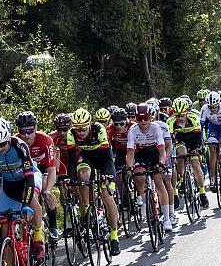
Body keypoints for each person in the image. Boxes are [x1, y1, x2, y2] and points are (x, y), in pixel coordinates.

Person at [0, 118, 44, 264]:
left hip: (29, 178)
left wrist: (26, 204)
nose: (0, 149)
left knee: (31, 197)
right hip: (9, 183)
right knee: (5, 226)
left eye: (2, 144)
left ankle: (38, 237)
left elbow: (29, 179)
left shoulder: (20, 146)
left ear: (9, 137)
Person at [65, 108, 121, 255]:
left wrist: (108, 176)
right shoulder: (71, 134)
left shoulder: (99, 129)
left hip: (103, 161)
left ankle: (114, 236)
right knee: (82, 176)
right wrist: (70, 178)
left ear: (90, 124)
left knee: (107, 195)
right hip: (87, 159)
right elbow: (72, 161)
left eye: (83, 129)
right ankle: (88, 210)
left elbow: (109, 159)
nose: (80, 132)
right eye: (77, 129)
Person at [126, 104, 172, 232]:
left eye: (145, 118)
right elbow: (130, 154)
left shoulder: (156, 128)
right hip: (141, 155)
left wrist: (162, 162)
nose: (143, 121)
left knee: (159, 182)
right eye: (139, 119)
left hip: (155, 155)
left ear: (150, 117)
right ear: (136, 118)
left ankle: (167, 219)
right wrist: (130, 168)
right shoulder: (132, 131)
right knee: (139, 177)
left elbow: (162, 151)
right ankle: (147, 202)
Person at [15, 111, 60, 241]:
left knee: (46, 187)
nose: (26, 135)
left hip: (43, 168)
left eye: (29, 131)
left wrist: (48, 190)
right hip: (26, 170)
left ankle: (53, 227)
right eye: (22, 131)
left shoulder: (45, 140)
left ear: (35, 128)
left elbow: (52, 169)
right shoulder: (16, 141)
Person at [168, 98, 209, 208]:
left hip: (193, 140)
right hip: (180, 139)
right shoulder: (171, 121)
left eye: (182, 115)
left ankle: (202, 193)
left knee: (196, 165)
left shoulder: (194, 118)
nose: (180, 118)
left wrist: (199, 148)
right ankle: (181, 179)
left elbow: (199, 136)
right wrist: (171, 155)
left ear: (187, 112)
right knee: (181, 154)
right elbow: (169, 141)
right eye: (177, 115)